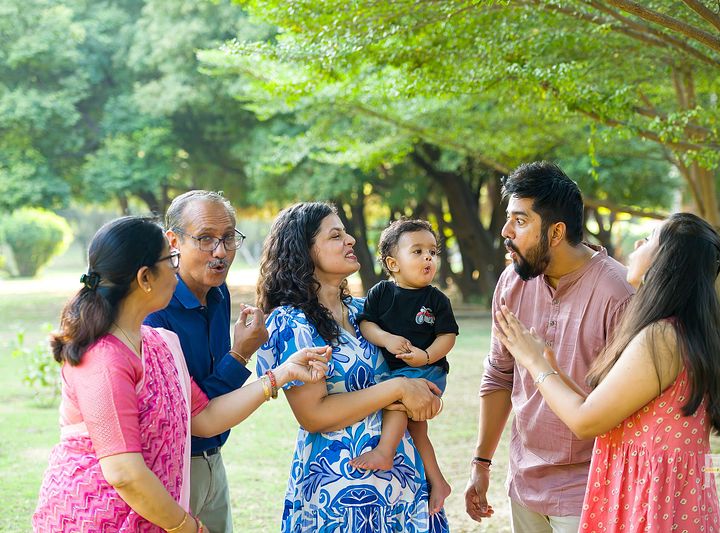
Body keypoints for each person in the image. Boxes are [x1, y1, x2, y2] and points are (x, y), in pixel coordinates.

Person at [32, 216, 331, 533]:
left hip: (153, 518)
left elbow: (205, 417)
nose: (177, 269)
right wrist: (188, 527)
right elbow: (124, 472)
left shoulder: (159, 344)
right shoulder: (104, 358)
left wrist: (281, 374)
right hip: (95, 520)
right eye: (170, 259)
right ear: (145, 277)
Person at [494, 212, 720, 531]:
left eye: (649, 239)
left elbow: (585, 421)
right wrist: (551, 368)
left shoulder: (661, 338)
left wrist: (534, 363)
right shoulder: (677, 332)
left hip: (654, 502)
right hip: (662, 497)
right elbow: (608, 410)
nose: (637, 244)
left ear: (668, 261)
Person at [255, 202, 449, 532]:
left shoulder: (366, 312)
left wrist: (433, 471)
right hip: (339, 485)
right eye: (335, 236)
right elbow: (313, 415)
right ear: (304, 250)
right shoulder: (291, 323)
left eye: (345, 232)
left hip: (404, 481)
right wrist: (398, 389)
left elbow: (413, 379)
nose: (350, 240)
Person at [464, 161, 635, 532]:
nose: (506, 231)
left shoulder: (618, 294)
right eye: (508, 219)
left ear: (556, 232)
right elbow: (500, 376)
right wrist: (481, 463)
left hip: (590, 488)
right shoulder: (512, 283)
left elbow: (625, 409)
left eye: (520, 221)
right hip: (524, 483)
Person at [144, 190, 265, 533]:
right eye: (206, 239)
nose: (221, 251)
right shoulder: (155, 310)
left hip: (214, 459)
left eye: (228, 238)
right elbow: (188, 413)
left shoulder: (218, 292)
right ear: (173, 242)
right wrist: (240, 355)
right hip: (169, 468)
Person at [349, 219, 458, 515]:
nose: (428, 258)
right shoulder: (381, 293)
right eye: (418, 251)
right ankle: (438, 481)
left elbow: (447, 336)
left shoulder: (436, 299)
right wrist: (386, 338)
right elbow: (367, 324)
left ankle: (385, 452)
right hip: (395, 371)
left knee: (397, 402)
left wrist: (426, 356)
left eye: (432, 252)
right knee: (418, 430)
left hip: (427, 371)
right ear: (393, 264)